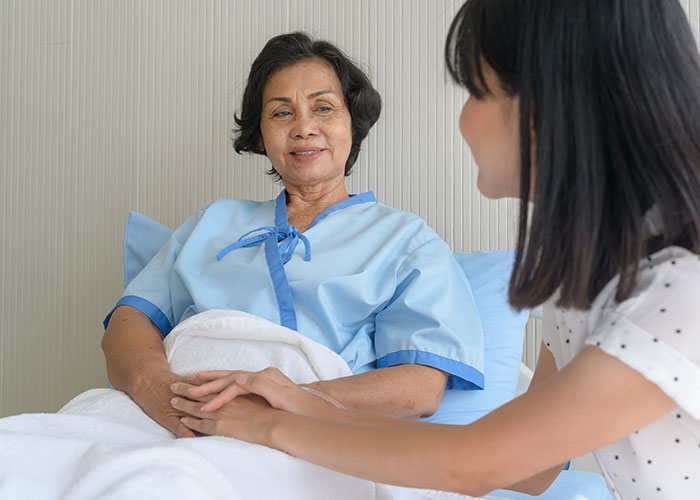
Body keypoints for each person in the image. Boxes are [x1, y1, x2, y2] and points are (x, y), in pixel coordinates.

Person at [168, 1, 700, 498]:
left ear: (553, 104)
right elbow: (530, 472)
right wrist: (299, 405)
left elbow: (474, 463)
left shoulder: (681, 287)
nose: (464, 119)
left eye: (475, 90)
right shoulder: (576, 289)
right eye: (281, 112)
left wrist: (270, 424)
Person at [102, 32, 485, 439]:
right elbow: (128, 322)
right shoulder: (212, 222)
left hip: (313, 428)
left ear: (351, 123)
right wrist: (164, 395)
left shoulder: (405, 240)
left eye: (323, 108)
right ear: (261, 134)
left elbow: (420, 389)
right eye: (281, 113)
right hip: (175, 416)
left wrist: (278, 408)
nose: (304, 127)